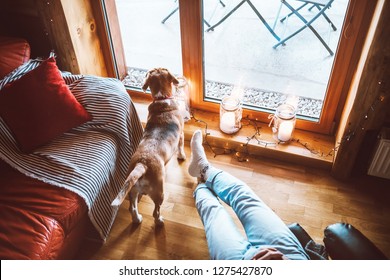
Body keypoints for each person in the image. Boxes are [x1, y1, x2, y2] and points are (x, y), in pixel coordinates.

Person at [188, 130, 310, 260]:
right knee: (243, 196)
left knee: (215, 216)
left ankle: (201, 184)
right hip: (292, 259)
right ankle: (203, 168)